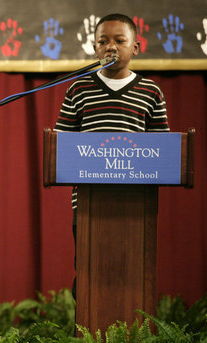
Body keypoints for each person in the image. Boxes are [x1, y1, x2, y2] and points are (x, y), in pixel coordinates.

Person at [54, 13, 170, 298]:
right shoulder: (78, 88)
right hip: (88, 201)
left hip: (136, 201)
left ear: (136, 47)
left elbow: (164, 151)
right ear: (95, 48)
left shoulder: (150, 90)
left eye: (120, 40)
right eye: (103, 41)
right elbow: (59, 146)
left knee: (133, 274)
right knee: (89, 274)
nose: (111, 47)